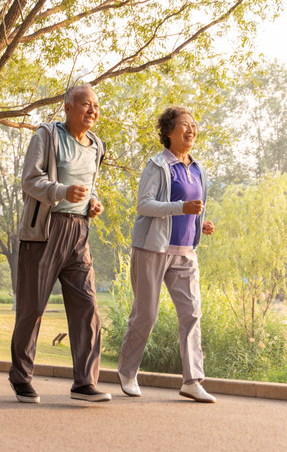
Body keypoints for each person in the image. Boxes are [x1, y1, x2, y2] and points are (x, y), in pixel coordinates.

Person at [9, 84, 110, 403]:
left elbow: (90, 186)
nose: (92, 110)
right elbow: (29, 181)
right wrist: (61, 191)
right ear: (67, 108)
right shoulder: (47, 136)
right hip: (44, 233)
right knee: (33, 308)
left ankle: (84, 382)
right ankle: (21, 377)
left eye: (95, 106)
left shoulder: (96, 145)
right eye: (85, 105)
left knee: (87, 307)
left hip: (79, 233)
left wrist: (93, 202)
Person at [117, 106, 217, 403]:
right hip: (152, 249)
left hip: (186, 252)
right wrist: (180, 208)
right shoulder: (157, 165)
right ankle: (127, 371)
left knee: (191, 313)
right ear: (169, 131)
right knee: (146, 314)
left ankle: (192, 381)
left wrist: (200, 223)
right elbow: (144, 205)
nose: (191, 129)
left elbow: (194, 206)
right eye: (185, 125)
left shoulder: (197, 168)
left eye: (194, 125)